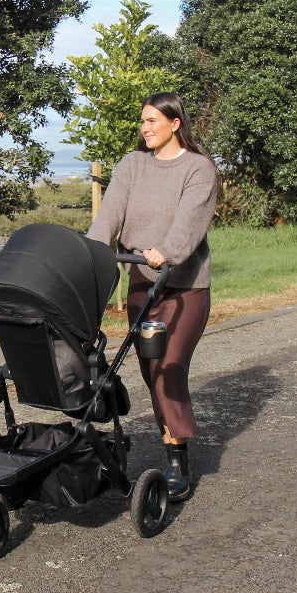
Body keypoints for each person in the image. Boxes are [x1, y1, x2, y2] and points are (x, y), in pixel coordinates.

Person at [86, 91, 218, 501]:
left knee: (170, 366)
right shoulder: (131, 165)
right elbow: (108, 217)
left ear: (175, 123)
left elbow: (189, 223)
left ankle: (177, 460)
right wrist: (89, 254)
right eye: (141, 122)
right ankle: (171, 438)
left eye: (152, 121)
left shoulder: (199, 169)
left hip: (184, 287)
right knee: (149, 367)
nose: (144, 128)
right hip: (144, 284)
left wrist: (169, 251)